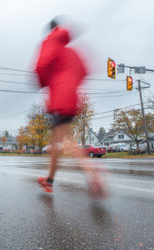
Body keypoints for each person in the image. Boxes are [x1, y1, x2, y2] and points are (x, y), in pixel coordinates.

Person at [34, 18, 107, 198]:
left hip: (59, 99)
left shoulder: (50, 43)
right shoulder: (71, 52)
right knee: (57, 142)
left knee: (67, 142)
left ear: (50, 31)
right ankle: (49, 181)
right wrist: (71, 84)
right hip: (72, 98)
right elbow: (84, 70)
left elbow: (41, 66)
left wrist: (44, 82)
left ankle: (92, 173)